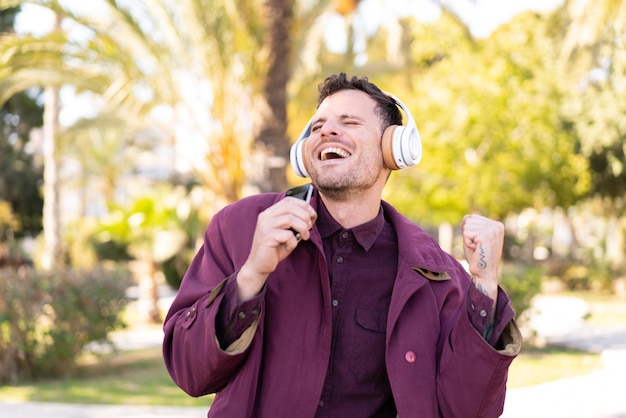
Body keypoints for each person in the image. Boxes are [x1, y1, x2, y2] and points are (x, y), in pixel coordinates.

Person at [162, 73, 522, 418]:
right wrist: (251, 276)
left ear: (395, 148)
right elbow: (188, 373)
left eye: (349, 123)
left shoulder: (436, 274)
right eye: (318, 127)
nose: (327, 131)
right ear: (304, 153)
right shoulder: (239, 228)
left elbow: (468, 410)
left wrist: (485, 285)